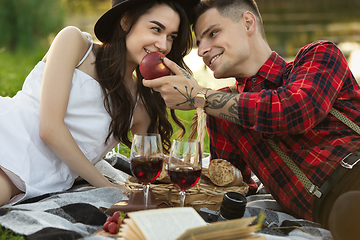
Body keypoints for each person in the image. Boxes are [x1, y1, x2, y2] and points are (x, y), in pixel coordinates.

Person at [142, 0, 360, 238]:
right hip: (334, 213)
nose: (202, 50)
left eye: (213, 33)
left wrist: (199, 97)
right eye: (199, 42)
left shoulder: (318, 55)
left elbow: (293, 111)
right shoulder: (223, 112)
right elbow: (230, 182)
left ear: (248, 22)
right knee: (347, 211)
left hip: (354, 173)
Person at [0, 0, 199, 207]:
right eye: (156, 29)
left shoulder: (140, 107)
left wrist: (192, 95)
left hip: (32, 176)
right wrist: (107, 186)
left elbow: (151, 164)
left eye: (171, 37)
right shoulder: (75, 43)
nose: (164, 45)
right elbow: (50, 128)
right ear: (125, 20)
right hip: (8, 134)